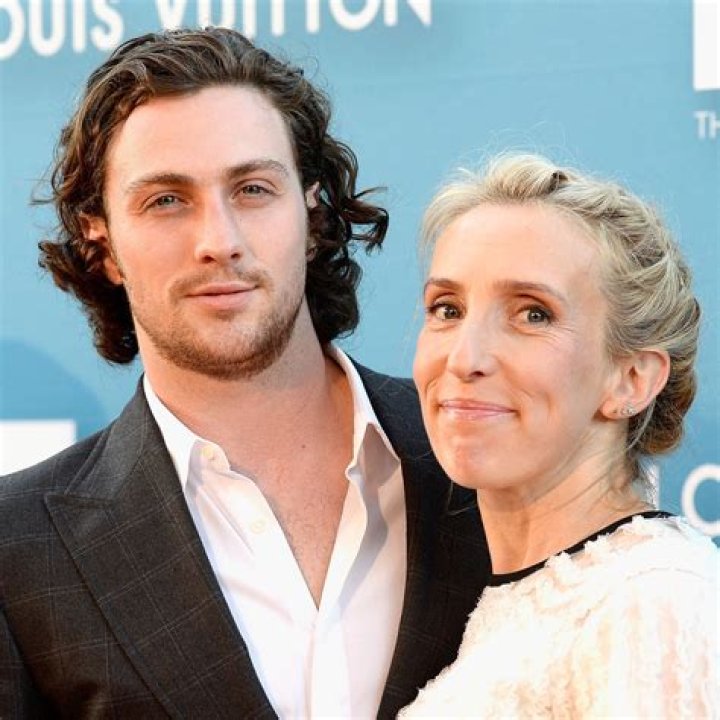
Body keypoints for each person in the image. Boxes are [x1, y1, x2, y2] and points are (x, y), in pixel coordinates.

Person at [0, 28, 489, 718]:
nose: (219, 241)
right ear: (101, 241)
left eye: (253, 189)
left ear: (313, 214)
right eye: (166, 200)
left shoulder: (486, 453)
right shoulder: (18, 550)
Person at [398, 153, 718, 717]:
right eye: (447, 309)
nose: (464, 358)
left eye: (533, 314)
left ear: (631, 378)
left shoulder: (652, 597)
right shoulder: (522, 605)